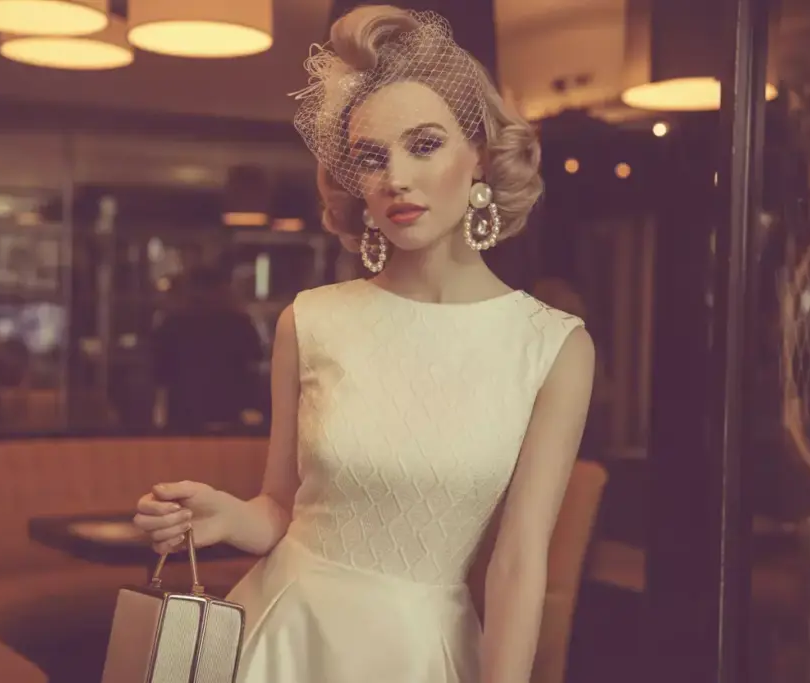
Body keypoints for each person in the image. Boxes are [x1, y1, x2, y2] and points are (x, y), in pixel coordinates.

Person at [133, 7, 595, 683]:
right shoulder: (311, 320)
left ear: (480, 155)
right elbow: (282, 508)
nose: (394, 178)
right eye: (371, 158)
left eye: (424, 145)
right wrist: (229, 516)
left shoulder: (552, 346)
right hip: (283, 635)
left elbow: (520, 563)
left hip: (419, 651)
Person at [151, 264, 264, 431]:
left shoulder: (172, 324)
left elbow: (161, 375)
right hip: (229, 409)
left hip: (184, 412)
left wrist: (160, 416)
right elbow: (254, 364)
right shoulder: (239, 324)